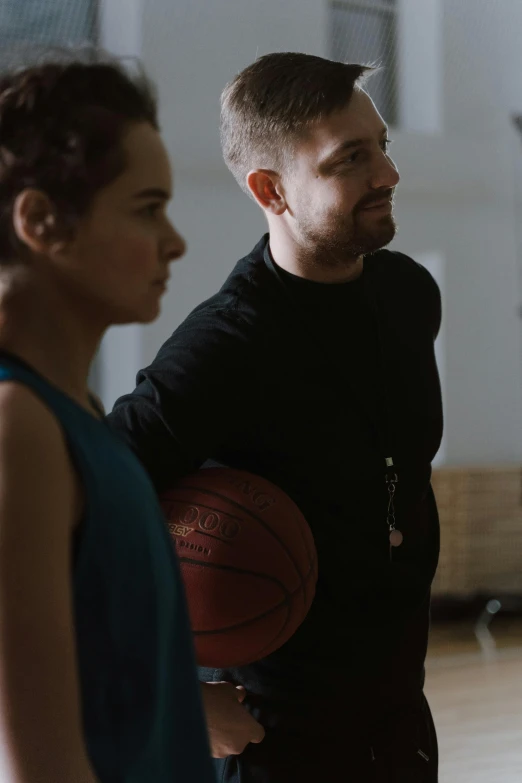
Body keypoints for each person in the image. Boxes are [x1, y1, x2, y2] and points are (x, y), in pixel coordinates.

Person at [108, 52, 442, 782]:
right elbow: (63, 514)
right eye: (351, 158)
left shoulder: (410, 295)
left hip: (401, 721)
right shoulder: (226, 346)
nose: (387, 174)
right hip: (275, 745)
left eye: (381, 144)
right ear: (271, 188)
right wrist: (178, 696)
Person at [0, 56, 215, 783]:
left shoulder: (75, 414)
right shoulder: (16, 427)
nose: (175, 241)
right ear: (41, 222)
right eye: (147, 208)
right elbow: (41, 768)